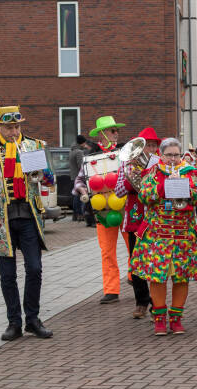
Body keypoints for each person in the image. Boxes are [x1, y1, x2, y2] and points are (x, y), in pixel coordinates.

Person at [0, 99, 55, 341]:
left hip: (29, 216)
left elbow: (48, 180)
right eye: (9, 128)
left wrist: (44, 173)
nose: (14, 132)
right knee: (7, 275)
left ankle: (33, 319)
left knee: (35, 268)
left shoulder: (33, 146)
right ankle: (14, 322)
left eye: (17, 127)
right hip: (1, 220)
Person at [129, 138, 197, 335]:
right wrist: (164, 186)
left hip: (183, 235)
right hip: (158, 235)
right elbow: (144, 196)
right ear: (161, 156)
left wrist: (186, 190)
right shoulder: (153, 173)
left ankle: (176, 318)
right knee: (157, 278)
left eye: (176, 155)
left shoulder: (189, 172)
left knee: (181, 278)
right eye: (169, 155)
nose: (172, 159)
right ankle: (159, 319)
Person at [74, 116, 127, 303]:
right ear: (102, 134)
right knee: (107, 251)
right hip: (102, 209)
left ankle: (136, 278)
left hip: (125, 207)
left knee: (134, 247)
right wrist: (82, 190)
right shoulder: (90, 157)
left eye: (116, 130)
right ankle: (111, 290)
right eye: (113, 131)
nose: (116, 133)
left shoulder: (125, 152)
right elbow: (80, 180)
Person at [114, 126, 158, 319]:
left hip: (156, 218)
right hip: (135, 218)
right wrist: (130, 179)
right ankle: (141, 302)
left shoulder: (159, 163)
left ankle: (157, 303)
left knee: (156, 261)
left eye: (153, 146)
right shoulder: (128, 164)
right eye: (148, 146)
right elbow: (118, 192)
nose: (151, 149)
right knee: (136, 262)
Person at [69, 134, 93, 225]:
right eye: (84, 142)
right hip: (78, 176)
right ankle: (80, 214)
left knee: (75, 195)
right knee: (80, 196)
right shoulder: (79, 152)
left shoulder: (72, 151)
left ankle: (75, 215)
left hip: (73, 175)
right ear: (81, 142)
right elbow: (81, 166)